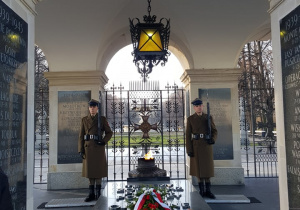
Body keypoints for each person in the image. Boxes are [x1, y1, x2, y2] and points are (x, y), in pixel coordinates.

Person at [78, 99, 113, 202]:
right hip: (88, 147)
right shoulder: (84, 119)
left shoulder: (101, 119)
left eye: (94, 107)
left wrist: (103, 141)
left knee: (98, 171)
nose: (92, 108)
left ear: (97, 108)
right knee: (90, 172)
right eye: (91, 107)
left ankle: (98, 193)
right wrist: (80, 149)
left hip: (98, 148)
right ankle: (91, 193)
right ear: (89, 108)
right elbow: (81, 135)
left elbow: (109, 133)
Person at [185, 98, 218, 199]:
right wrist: (189, 149)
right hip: (196, 145)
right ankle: (201, 190)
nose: (199, 107)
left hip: (206, 145)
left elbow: (214, 130)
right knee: (198, 169)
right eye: (197, 106)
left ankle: (208, 190)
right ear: (194, 108)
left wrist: (213, 139)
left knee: (207, 169)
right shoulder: (191, 119)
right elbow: (188, 135)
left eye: (200, 106)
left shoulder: (208, 117)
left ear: (203, 106)